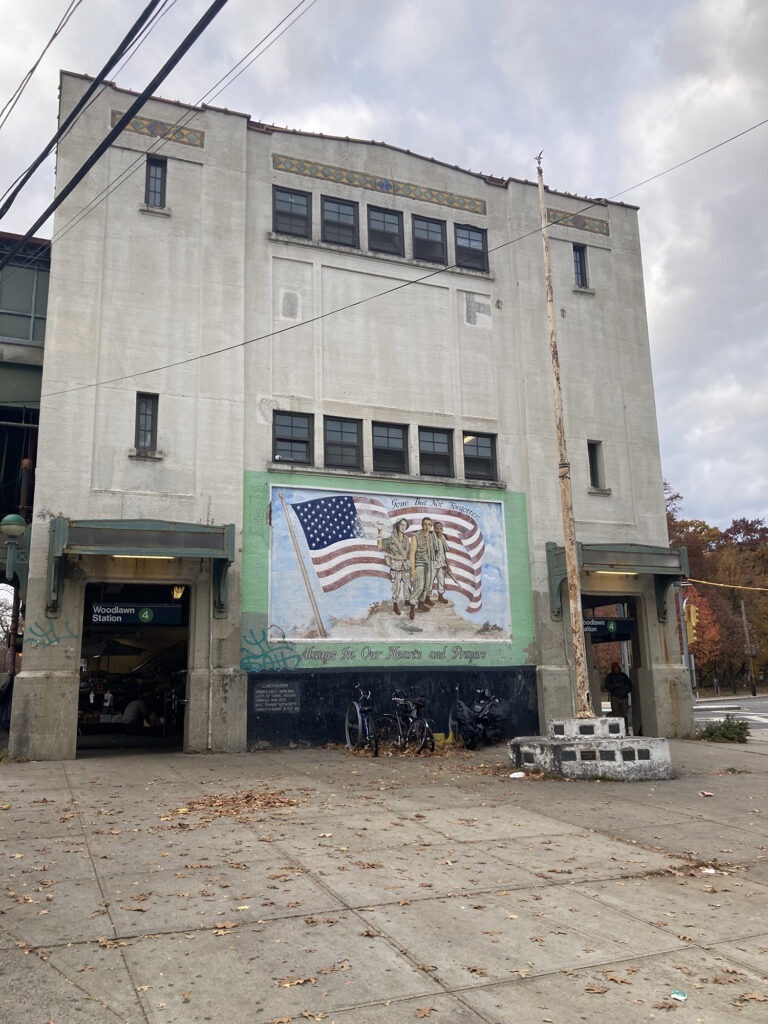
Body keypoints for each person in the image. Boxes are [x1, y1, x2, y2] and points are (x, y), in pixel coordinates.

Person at [377, 518, 411, 616]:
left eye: (405, 525)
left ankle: (407, 600)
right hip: (395, 565)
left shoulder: (406, 539)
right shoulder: (391, 539)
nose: (403, 527)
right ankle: (395, 604)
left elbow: (408, 553)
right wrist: (379, 532)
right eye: (401, 525)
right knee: (396, 586)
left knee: (407, 584)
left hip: (405, 565)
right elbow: (380, 547)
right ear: (398, 526)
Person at [408, 517, 436, 618]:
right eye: (425, 524)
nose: (427, 526)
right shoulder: (415, 536)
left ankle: (421, 603)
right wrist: (412, 569)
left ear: (431, 526)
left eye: (429, 524)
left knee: (427, 585)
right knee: (419, 585)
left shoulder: (432, 535)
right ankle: (412, 606)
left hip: (429, 563)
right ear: (422, 525)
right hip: (419, 563)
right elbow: (412, 553)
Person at [604, 661, 632, 732]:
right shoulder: (610, 676)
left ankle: (626, 730)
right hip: (615, 698)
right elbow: (607, 686)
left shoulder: (623, 676)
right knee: (616, 715)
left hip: (624, 698)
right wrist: (614, 686)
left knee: (624, 715)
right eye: (614, 668)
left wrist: (625, 690)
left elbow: (630, 685)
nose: (616, 669)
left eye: (617, 668)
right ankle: (618, 730)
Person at [430, 521, 451, 604]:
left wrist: (447, 564)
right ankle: (427, 597)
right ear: (434, 529)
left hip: (441, 563)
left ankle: (441, 596)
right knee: (430, 580)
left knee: (441, 579)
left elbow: (444, 553)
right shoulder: (431, 537)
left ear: (442, 529)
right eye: (437, 528)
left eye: (440, 528)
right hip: (433, 562)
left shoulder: (442, 538)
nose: (438, 530)